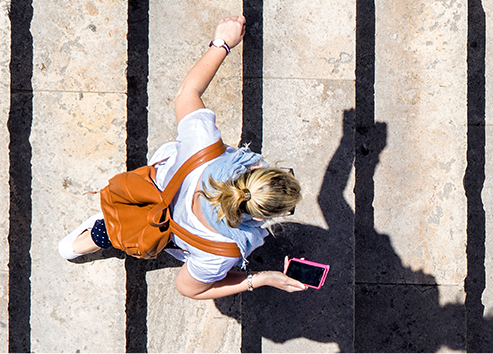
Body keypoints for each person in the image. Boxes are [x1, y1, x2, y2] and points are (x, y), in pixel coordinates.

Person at [58, 15, 307, 299]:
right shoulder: (222, 252)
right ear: (263, 215)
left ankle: (80, 243)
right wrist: (259, 279)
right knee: (121, 233)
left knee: (116, 225)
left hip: (147, 190)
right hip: (162, 233)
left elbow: (187, 92)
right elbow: (189, 288)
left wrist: (222, 43)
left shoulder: (204, 145)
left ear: (254, 171)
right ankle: (82, 244)